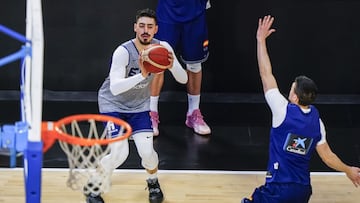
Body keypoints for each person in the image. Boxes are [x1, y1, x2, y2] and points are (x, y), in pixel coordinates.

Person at [241, 15, 360, 203]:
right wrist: (348, 170)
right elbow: (328, 157)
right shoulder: (317, 122)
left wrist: (260, 40)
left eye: (291, 87)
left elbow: (266, 73)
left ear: (295, 96)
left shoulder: (282, 111)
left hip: (279, 189)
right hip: (303, 191)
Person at [86, 8, 188, 203]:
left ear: (156, 29)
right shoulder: (123, 52)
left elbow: (183, 79)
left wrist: (172, 64)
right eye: (141, 26)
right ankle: (94, 185)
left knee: (147, 152)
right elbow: (115, 88)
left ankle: (153, 182)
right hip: (113, 105)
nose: (145, 30)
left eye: (149, 26)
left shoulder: (162, 48)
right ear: (135, 28)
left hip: (139, 106)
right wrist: (141, 75)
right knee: (119, 153)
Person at [149, 0, 212, 136]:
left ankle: (193, 113)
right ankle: (151, 114)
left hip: (195, 11)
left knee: (194, 64)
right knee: (158, 62)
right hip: (168, 11)